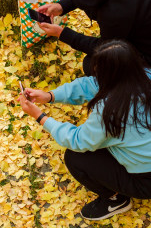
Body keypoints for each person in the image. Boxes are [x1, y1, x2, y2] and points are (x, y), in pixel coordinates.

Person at [18, 40, 151, 221]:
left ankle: (115, 199)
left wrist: (40, 117)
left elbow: (78, 141)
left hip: (145, 181)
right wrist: (50, 96)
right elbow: (90, 85)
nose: (95, 76)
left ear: (109, 76)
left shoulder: (110, 112)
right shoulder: (144, 75)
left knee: (76, 158)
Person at [37, 0, 151, 75]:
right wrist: (61, 6)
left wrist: (62, 33)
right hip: (142, 20)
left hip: (147, 52)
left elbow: (107, 47)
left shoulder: (117, 13)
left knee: (92, 65)